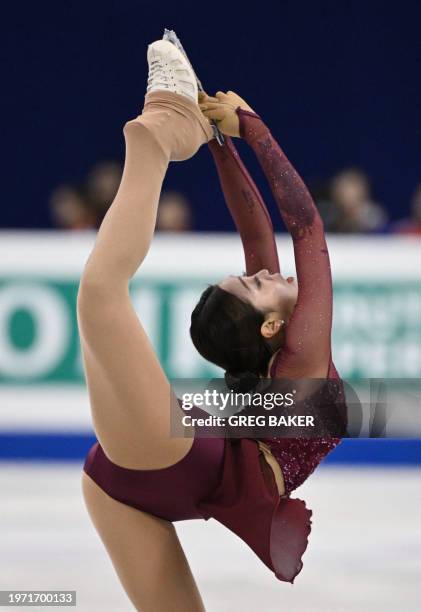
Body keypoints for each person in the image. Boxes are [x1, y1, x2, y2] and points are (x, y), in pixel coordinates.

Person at [80, 39, 346, 612]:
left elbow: (291, 232)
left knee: (99, 296)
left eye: (253, 281)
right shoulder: (294, 356)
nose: (262, 271)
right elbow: (279, 229)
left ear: (271, 327)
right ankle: (157, 138)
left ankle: (167, 132)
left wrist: (242, 131)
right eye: (252, 280)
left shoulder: (296, 356)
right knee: (99, 296)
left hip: (146, 472)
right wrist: (230, 135)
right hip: (147, 474)